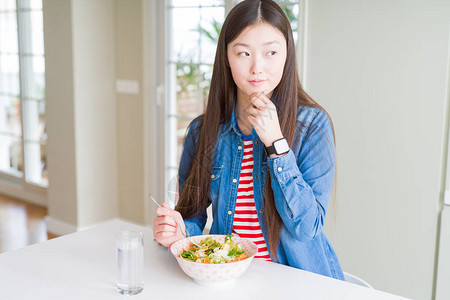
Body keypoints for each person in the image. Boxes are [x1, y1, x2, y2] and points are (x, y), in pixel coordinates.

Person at [153, 0, 344, 280]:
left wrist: (276, 144)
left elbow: (308, 227)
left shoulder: (313, 125)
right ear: (227, 57)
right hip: (230, 280)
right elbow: (193, 216)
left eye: (271, 52)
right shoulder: (202, 131)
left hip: (302, 282)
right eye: (243, 53)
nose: (257, 67)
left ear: (286, 55)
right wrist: (178, 231)